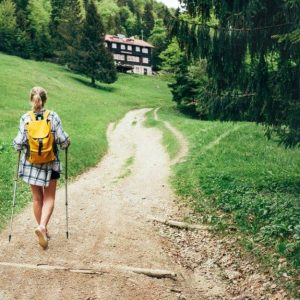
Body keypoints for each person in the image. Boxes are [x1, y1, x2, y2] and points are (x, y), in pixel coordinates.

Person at [13, 86, 70, 249]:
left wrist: (19, 146)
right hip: (50, 162)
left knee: (37, 198)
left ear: (31, 100)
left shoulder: (26, 118)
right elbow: (62, 140)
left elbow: (18, 143)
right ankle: (43, 227)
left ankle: (42, 227)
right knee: (49, 197)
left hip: (32, 163)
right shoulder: (52, 116)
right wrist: (67, 142)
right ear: (45, 100)